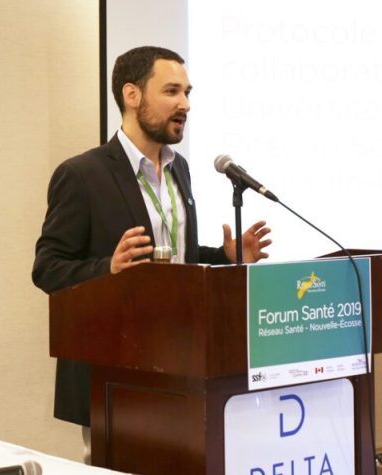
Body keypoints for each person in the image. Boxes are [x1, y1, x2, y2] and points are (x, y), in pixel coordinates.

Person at [31, 46, 272, 460]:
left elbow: (176, 259)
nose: (185, 105)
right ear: (132, 95)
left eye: (188, 93)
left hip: (182, 358)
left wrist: (225, 256)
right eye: (172, 92)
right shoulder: (82, 175)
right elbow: (48, 268)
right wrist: (108, 267)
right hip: (114, 370)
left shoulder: (180, 169)